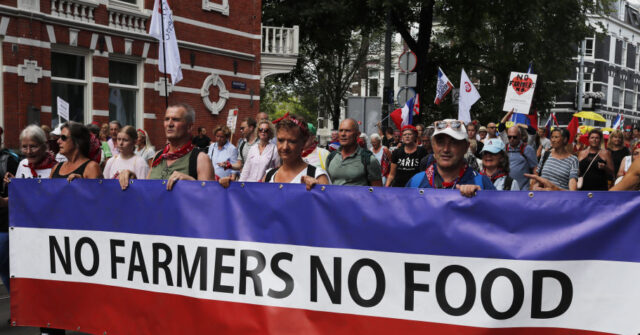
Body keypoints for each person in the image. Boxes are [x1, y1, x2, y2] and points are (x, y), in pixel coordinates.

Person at [118, 103, 215, 191]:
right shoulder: (158, 156)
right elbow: (146, 192)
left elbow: (209, 201)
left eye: (176, 119)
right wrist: (132, 180)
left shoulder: (200, 159)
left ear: (189, 127)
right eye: (167, 119)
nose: (170, 124)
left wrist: (191, 182)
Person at [406, 119, 495, 196]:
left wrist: (482, 201)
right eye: (440, 142)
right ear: (433, 146)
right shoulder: (416, 182)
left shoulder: (482, 183)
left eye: (454, 142)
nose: (446, 149)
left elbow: (499, 214)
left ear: (466, 147)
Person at [0, 126, 38, 291]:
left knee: (7, 266)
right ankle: (18, 308)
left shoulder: (9, 160)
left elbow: (21, 191)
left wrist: (5, 201)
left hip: (5, 223)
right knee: (5, 269)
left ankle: (19, 308)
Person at [263, 115, 330, 189]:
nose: (285, 147)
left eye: (292, 141)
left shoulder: (317, 176)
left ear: (303, 143)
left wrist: (317, 191)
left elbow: (327, 200)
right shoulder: (269, 176)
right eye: (281, 140)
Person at [326, 119, 382, 186]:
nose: (343, 134)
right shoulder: (331, 157)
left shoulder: (369, 159)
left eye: (348, 131)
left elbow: (377, 191)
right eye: (341, 130)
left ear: (357, 134)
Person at [505, 125, 538, 191]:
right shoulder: (504, 148)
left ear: (520, 136)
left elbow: (535, 169)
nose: (512, 139)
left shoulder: (528, 149)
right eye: (509, 137)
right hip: (507, 189)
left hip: (523, 189)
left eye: (514, 137)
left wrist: (533, 185)